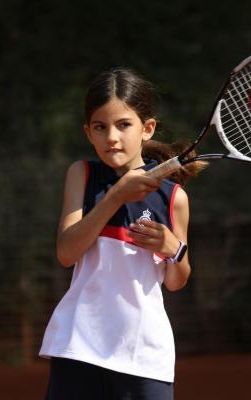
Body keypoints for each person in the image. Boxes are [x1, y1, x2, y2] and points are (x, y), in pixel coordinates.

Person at [39, 68, 206, 400]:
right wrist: (116, 195)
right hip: (79, 349)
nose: (111, 137)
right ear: (88, 133)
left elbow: (175, 280)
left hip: (144, 357)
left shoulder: (174, 198)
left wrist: (175, 249)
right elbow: (66, 253)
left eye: (123, 125)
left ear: (147, 128)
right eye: (100, 127)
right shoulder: (82, 175)